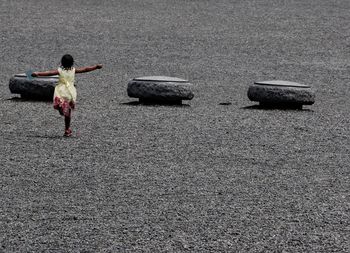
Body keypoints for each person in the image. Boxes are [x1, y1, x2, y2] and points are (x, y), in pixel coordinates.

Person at [32, 54, 102, 137]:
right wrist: (96, 67)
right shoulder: (74, 70)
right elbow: (85, 69)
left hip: (61, 91)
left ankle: (61, 110)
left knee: (60, 105)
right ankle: (67, 129)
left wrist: (37, 73)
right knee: (68, 113)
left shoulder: (60, 71)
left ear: (61, 62)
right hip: (70, 92)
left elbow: (49, 73)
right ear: (72, 63)